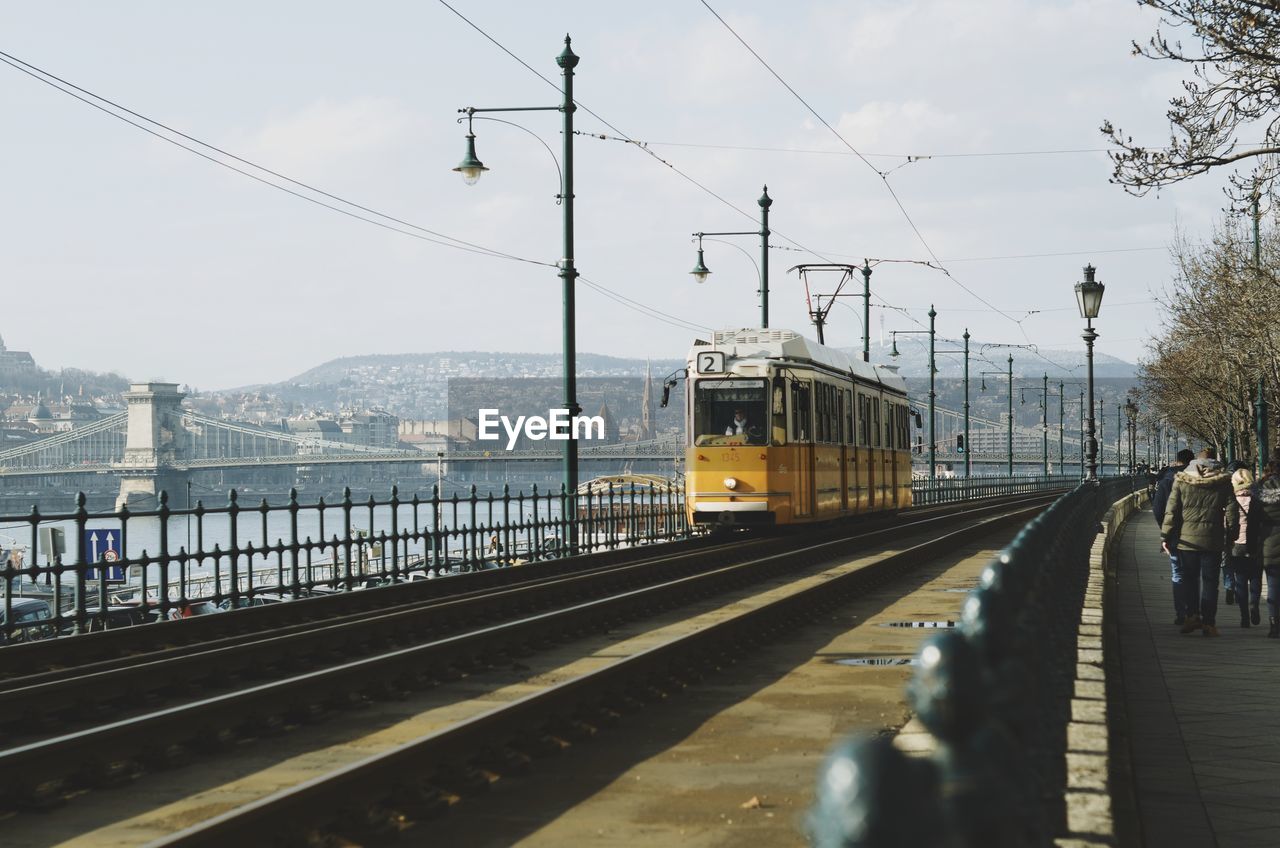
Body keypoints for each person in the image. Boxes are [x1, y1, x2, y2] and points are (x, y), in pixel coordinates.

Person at [1161, 447, 1233, 637]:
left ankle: (1191, 616)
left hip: (1187, 540)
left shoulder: (1182, 479)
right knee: (1210, 582)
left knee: (1190, 580)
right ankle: (1209, 623)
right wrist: (1231, 537)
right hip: (1214, 539)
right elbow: (1232, 512)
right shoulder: (1224, 481)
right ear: (1214, 461)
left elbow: (1172, 510)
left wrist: (1166, 536)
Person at [1153, 448, 1195, 624]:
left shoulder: (1166, 480)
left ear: (1177, 461)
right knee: (1193, 574)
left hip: (1174, 535)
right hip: (1194, 533)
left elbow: (1158, 509)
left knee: (1177, 574)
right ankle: (1194, 611)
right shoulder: (1198, 479)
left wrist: (1165, 532)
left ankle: (1181, 613)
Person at [1226, 466, 1263, 627]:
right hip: (1255, 544)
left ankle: (1244, 617)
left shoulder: (1231, 501)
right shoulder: (1258, 500)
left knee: (1240, 581)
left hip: (1237, 545)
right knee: (1256, 577)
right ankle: (1254, 603)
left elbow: (1226, 524)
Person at [1253, 461, 1280, 637]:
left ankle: (1274, 623)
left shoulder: (1260, 490)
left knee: (1273, 585)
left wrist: (1251, 545)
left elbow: (1252, 521)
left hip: (1268, 542)